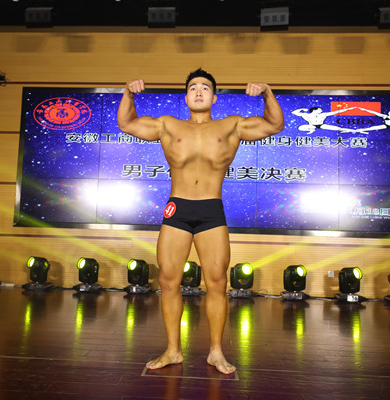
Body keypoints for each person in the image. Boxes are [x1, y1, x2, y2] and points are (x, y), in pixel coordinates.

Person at [117, 68, 284, 374]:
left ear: (214, 97)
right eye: (193, 87)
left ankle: (216, 352)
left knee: (217, 283)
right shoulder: (168, 125)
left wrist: (267, 92)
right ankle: (173, 350)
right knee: (168, 281)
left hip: (211, 210)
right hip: (177, 209)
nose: (198, 91)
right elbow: (127, 123)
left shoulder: (231, 125)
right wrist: (128, 92)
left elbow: (275, 124)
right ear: (186, 96)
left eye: (205, 88)